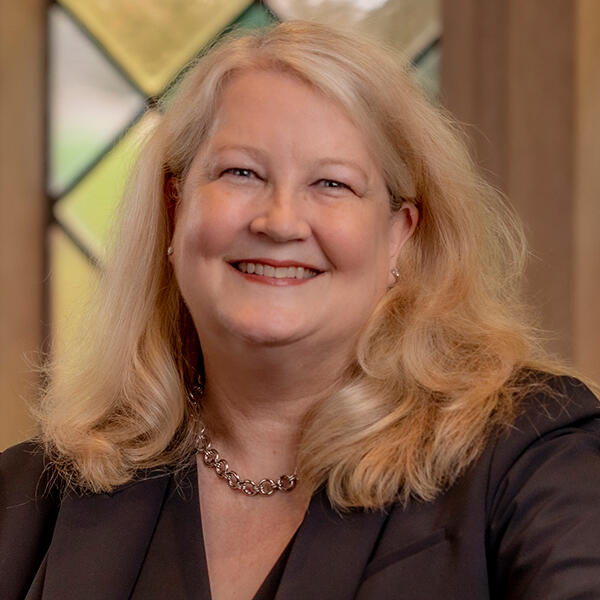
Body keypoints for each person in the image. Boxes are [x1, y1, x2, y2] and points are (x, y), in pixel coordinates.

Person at [2, 20, 600, 600]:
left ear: (400, 236)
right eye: (241, 173)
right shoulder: (31, 500)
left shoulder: (535, 457)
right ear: (174, 207)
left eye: (332, 184)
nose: (279, 221)